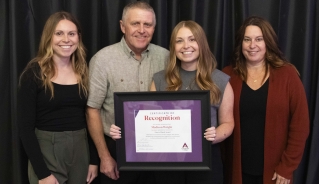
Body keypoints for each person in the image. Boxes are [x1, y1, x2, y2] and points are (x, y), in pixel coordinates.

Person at [111, 20, 234, 184]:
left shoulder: (220, 80)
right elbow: (148, 123)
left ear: (201, 43)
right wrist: (123, 131)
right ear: (173, 47)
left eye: (192, 39)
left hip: (206, 160)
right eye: (179, 40)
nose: (186, 46)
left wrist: (215, 135)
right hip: (167, 162)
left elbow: (228, 122)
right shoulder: (160, 79)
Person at [86, 1, 169, 184]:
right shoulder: (102, 60)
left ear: (154, 28)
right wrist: (104, 157)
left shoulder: (167, 58)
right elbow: (92, 110)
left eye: (147, 24)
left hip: (158, 150)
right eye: (135, 23)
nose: (142, 30)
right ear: (123, 26)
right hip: (117, 150)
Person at [222, 16, 310, 184]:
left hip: (277, 173)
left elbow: (300, 125)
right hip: (238, 171)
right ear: (241, 43)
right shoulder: (227, 75)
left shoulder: (288, 75)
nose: (252, 45)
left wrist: (287, 167)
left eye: (259, 39)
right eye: (247, 39)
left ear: (267, 42)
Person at [17, 11, 98, 184]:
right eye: (59, 33)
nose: (66, 39)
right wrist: (43, 174)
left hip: (80, 150)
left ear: (78, 37)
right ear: (49, 37)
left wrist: (93, 160)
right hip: (47, 151)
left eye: (71, 33)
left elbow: (89, 117)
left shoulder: (84, 72)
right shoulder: (33, 74)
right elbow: (25, 129)